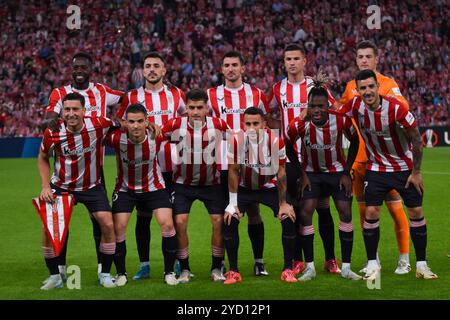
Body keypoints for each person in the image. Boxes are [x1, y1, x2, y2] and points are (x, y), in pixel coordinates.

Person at [339, 69, 438, 280]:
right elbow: (335, 114)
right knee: (371, 212)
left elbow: (416, 138)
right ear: (357, 90)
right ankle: (373, 264)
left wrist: (417, 172)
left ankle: (421, 265)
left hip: (404, 168)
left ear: (377, 87)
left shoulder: (395, 109)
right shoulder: (355, 106)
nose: (367, 92)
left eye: (371, 87)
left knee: (415, 212)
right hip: (376, 168)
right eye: (363, 88)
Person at [44, 52, 124, 278]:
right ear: (71, 69)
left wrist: (120, 119)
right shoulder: (61, 93)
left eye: (83, 67)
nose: (79, 70)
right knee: (61, 221)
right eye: (75, 67)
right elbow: (51, 114)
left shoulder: (101, 91)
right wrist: (51, 118)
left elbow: (125, 98)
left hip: (93, 170)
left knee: (99, 220)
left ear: (90, 69)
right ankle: (59, 267)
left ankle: (103, 266)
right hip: (66, 170)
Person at [337, 40, 411, 274]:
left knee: (395, 208)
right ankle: (374, 261)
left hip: (386, 160)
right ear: (356, 60)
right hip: (360, 159)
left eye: (368, 56)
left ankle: (404, 258)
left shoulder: (387, 84)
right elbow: (340, 112)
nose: (364, 60)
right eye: (360, 57)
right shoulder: (351, 86)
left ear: (377, 59)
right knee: (365, 211)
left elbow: (403, 107)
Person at [267, 43, 340, 275]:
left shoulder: (314, 86)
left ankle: (330, 259)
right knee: (295, 209)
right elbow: (265, 115)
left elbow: (335, 109)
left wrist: (310, 116)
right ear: (284, 62)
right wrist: (285, 128)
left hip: (316, 155)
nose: (292, 62)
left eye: (296, 58)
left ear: (304, 61)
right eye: (288, 59)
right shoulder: (278, 88)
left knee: (323, 206)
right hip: (290, 158)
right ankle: (297, 260)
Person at [38, 92, 120, 289]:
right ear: (62, 112)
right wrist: (45, 186)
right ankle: (55, 276)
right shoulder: (53, 131)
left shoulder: (99, 123)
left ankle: (105, 274)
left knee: (108, 225)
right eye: (67, 109)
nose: (71, 113)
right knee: (49, 230)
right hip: (62, 186)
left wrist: (150, 126)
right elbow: (42, 157)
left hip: (92, 186)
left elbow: (121, 124)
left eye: (75, 109)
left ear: (84, 111)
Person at [116, 52, 186, 281]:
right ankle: (144, 265)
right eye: (148, 66)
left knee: (173, 218)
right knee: (142, 217)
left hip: (172, 165)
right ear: (142, 71)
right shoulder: (131, 96)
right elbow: (120, 124)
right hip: (141, 168)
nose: (152, 69)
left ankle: (177, 264)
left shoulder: (176, 94)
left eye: (157, 66)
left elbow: (186, 121)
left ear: (164, 70)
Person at [285, 75, 361, 281]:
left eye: (320, 106)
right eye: (312, 106)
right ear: (308, 107)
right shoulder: (300, 124)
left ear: (327, 106)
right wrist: (302, 173)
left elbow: (355, 142)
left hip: (337, 173)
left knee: (345, 212)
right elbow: (287, 143)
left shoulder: (342, 119)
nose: (316, 110)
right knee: (306, 212)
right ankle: (310, 268)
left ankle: (346, 267)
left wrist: (346, 171)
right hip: (312, 174)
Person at [207, 50, 271, 276]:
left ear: (243, 68)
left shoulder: (257, 94)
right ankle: (224, 262)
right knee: (227, 213)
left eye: (235, 64)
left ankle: (259, 261)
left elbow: (267, 123)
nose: (231, 68)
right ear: (222, 69)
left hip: (251, 163)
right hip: (222, 164)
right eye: (227, 65)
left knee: (254, 212)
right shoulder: (211, 95)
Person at [106, 103, 178, 286]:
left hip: (154, 188)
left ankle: (169, 272)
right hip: (125, 190)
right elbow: (98, 131)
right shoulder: (116, 139)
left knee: (168, 224)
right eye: (131, 122)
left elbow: (177, 124)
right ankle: (121, 273)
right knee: (119, 228)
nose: (136, 126)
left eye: (140, 121)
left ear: (147, 122)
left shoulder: (157, 135)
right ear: (125, 123)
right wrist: (115, 123)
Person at [224, 107, 297, 284]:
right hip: (245, 188)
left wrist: (283, 203)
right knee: (230, 218)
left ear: (264, 124)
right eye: (247, 124)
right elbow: (233, 172)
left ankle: (288, 269)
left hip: (268, 186)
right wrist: (233, 203)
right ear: (243, 125)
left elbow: (281, 172)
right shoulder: (236, 141)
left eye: (255, 123)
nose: (251, 128)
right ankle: (233, 271)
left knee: (288, 217)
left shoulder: (276, 142)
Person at [162, 89, 229, 283]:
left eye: (200, 107)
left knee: (218, 222)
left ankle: (216, 268)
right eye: (191, 107)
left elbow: (235, 143)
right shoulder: (175, 124)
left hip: (212, 184)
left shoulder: (218, 125)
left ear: (207, 108)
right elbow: (157, 137)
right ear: (187, 109)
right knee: (180, 222)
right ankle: (184, 269)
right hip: (183, 184)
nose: (196, 111)